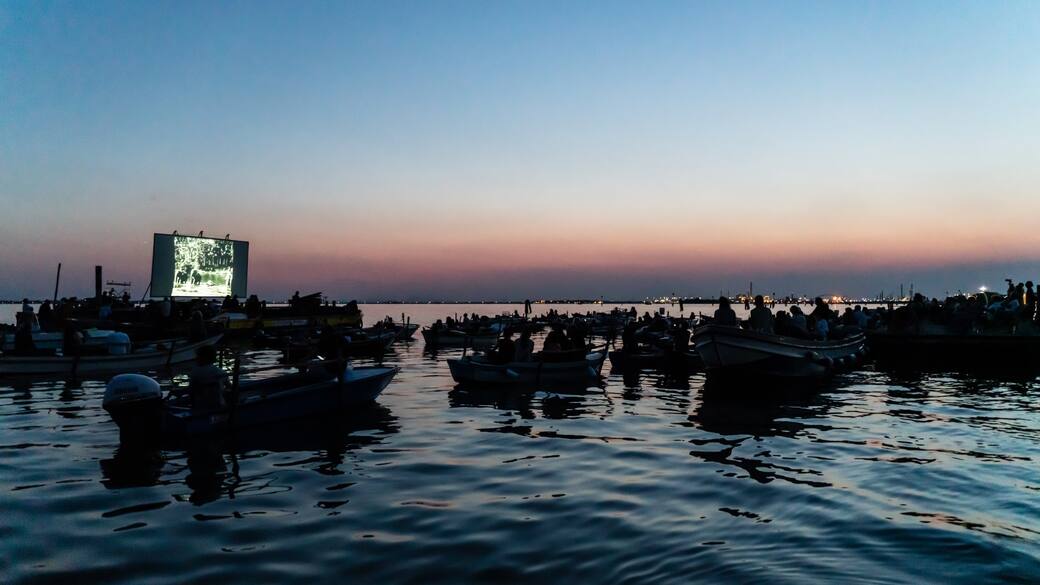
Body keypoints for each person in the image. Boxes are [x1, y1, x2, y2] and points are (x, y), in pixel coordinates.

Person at [188, 345, 227, 411]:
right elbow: (230, 387)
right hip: (218, 406)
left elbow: (191, 390)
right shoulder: (220, 371)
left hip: (199, 407)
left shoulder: (194, 372)